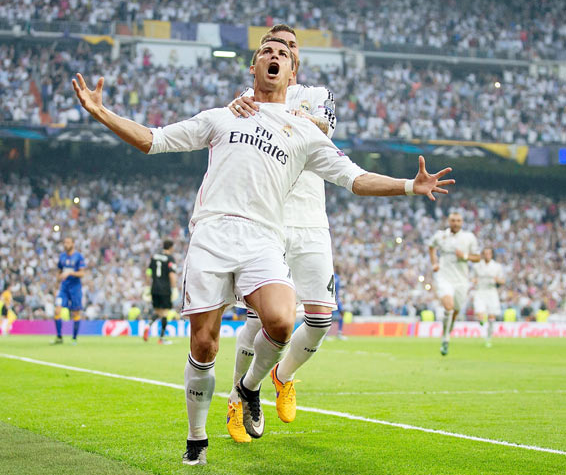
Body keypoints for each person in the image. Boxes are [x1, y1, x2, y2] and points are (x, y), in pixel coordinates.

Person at [72, 37, 454, 466]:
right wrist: (101, 112)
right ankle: (196, 438)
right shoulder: (222, 116)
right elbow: (154, 140)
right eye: (267, 52)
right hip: (213, 233)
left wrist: (408, 185)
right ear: (252, 67)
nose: (275, 57)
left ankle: (251, 386)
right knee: (204, 345)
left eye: (284, 55)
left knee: (281, 319)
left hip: (263, 237)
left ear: (294, 73)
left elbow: (354, 177)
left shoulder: (305, 129)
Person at [225, 25, 342, 441]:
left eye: (290, 48)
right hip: (268, 219)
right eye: (274, 47)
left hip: (311, 219)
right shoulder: (250, 95)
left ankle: (282, 375)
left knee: (321, 319)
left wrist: (291, 117)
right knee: (264, 319)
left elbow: (323, 128)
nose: (281, 54)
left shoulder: (317, 95)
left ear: (297, 62)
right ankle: (238, 399)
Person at [428, 212, 480, 356]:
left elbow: (477, 257)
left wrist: (464, 256)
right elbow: (431, 247)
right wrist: (434, 263)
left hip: (462, 280)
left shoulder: (469, 238)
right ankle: (445, 339)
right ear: (448, 221)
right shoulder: (441, 235)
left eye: (458, 220)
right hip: (444, 277)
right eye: (453, 220)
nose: (456, 223)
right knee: (448, 306)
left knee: (455, 310)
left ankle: (447, 332)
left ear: (462, 222)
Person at [52, 236, 86, 345]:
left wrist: (70, 273)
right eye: (65, 242)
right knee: (57, 310)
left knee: (75, 312)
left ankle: (74, 338)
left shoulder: (78, 257)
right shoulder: (62, 257)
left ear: (73, 244)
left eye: (68, 242)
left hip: (75, 288)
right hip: (63, 288)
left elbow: (82, 273)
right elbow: (59, 271)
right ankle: (59, 337)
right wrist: (57, 283)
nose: (66, 244)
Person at [144, 239, 178, 344]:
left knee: (158, 311)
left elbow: (148, 272)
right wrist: (174, 288)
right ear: (171, 247)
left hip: (154, 288)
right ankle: (161, 338)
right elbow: (171, 274)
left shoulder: (154, 257)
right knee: (165, 313)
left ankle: (148, 325)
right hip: (165, 289)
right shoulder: (170, 258)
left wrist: (147, 286)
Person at [472, 247, 505, 347]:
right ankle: (481, 321)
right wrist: (474, 281)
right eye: (485, 253)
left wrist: (497, 280)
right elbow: (472, 278)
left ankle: (488, 338)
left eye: (489, 253)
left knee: (491, 316)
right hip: (480, 291)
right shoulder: (477, 266)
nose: (487, 255)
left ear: (492, 254)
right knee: (480, 315)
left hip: (491, 292)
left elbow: (503, 281)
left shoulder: (496, 266)